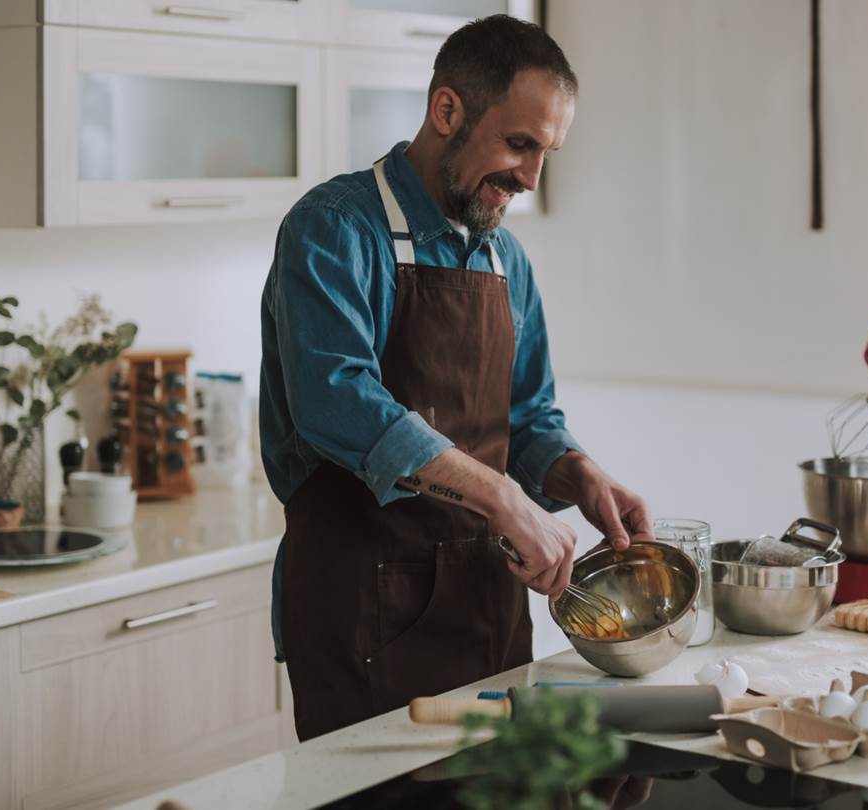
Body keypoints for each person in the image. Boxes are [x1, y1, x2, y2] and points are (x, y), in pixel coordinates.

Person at [260, 14, 651, 741]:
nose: (531, 178)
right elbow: (335, 400)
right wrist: (502, 498)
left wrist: (578, 475)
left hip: (488, 609)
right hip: (362, 616)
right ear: (447, 110)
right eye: (519, 144)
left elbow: (526, 418)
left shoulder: (508, 261)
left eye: (547, 153)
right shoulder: (335, 228)